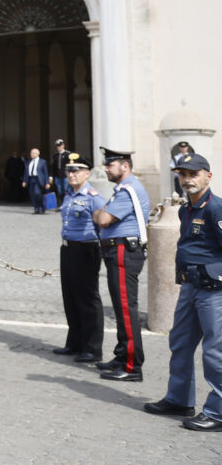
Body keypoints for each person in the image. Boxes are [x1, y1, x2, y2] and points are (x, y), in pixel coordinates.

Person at [144, 153, 222, 430]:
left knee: (215, 351)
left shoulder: (216, 209)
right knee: (179, 344)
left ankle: (217, 412)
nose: (187, 179)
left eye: (193, 173)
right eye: (183, 174)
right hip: (190, 287)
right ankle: (179, 400)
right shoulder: (184, 209)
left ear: (208, 176)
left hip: (214, 291)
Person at [93, 147, 150, 382]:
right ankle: (121, 356)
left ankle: (131, 367)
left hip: (124, 251)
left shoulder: (128, 190)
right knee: (121, 308)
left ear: (125, 166)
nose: (106, 168)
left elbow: (104, 219)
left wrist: (99, 213)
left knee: (126, 309)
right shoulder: (123, 189)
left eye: (110, 165)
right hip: (118, 251)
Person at [53, 154, 105, 363]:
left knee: (87, 298)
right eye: (69, 170)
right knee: (70, 297)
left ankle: (92, 348)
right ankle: (74, 342)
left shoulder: (94, 197)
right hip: (68, 249)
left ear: (87, 173)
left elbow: (103, 224)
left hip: (87, 249)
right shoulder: (68, 195)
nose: (72, 174)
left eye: (77, 170)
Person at [22, 147, 51, 214]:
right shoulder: (28, 162)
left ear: (38, 154)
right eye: (31, 153)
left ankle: (42, 207)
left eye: (33, 153)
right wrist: (24, 181)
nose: (31, 154)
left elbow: (46, 173)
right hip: (31, 179)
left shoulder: (42, 162)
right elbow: (26, 172)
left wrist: (47, 182)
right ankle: (36, 208)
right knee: (32, 195)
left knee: (37, 193)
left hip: (38, 180)